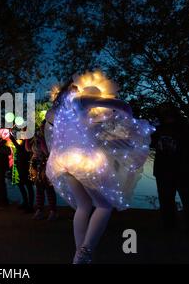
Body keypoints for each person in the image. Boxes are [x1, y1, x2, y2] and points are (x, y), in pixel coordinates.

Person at [45, 70, 153, 264]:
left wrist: (97, 122)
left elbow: (71, 133)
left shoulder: (53, 111)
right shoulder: (81, 100)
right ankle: (85, 252)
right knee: (104, 205)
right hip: (85, 161)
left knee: (84, 206)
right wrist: (119, 117)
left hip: (62, 161)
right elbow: (124, 106)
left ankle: (79, 255)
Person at [152, 103, 189, 230]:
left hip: (184, 170)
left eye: (167, 109)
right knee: (166, 200)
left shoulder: (185, 127)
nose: (165, 112)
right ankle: (169, 227)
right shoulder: (156, 128)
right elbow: (150, 142)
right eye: (162, 110)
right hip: (163, 170)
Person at [26, 121, 57, 220]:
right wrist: (28, 138)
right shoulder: (37, 138)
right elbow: (28, 149)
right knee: (39, 188)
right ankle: (40, 210)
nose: (42, 129)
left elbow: (46, 152)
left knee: (49, 188)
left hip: (46, 165)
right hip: (36, 165)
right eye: (41, 127)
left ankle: (53, 211)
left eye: (44, 127)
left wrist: (42, 140)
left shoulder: (51, 138)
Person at [10, 131, 34, 213]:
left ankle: (30, 206)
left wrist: (12, 138)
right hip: (21, 167)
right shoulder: (23, 142)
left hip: (26, 167)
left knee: (28, 186)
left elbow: (20, 149)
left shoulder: (28, 143)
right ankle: (25, 202)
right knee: (20, 184)